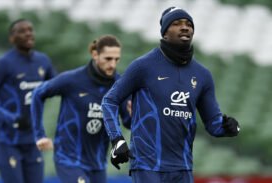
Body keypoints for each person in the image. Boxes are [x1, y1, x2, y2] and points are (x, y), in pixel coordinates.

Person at [101, 7, 240, 183]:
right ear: (165, 33)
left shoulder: (202, 75)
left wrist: (228, 127)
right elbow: (109, 101)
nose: (185, 27)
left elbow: (214, 124)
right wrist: (117, 139)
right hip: (147, 167)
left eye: (189, 24)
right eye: (177, 23)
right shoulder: (143, 66)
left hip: (182, 168)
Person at [31, 35, 131, 183]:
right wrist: (39, 134)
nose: (112, 64)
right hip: (69, 159)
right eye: (108, 59)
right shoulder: (72, 79)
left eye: (116, 59)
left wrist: (133, 115)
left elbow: (127, 122)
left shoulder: (120, 85)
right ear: (95, 54)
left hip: (98, 163)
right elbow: (37, 94)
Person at [0, 19, 56, 183]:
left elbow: (58, 86)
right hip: (7, 140)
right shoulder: (3, 63)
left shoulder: (43, 61)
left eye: (30, 30)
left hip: (33, 139)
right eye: (22, 31)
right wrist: (12, 119)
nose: (28, 33)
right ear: (12, 38)